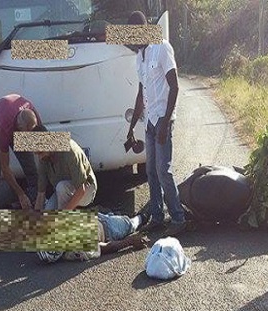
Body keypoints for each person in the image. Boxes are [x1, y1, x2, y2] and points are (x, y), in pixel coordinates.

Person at [125, 10, 186, 237]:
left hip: (162, 119)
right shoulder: (139, 56)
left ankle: (178, 218)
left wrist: (166, 121)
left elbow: (175, 86)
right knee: (150, 171)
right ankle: (158, 217)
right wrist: (131, 126)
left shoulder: (162, 47)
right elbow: (141, 94)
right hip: (149, 121)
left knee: (163, 170)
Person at [0, 94, 42, 211]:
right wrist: (20, 194)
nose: (29, 139)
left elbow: (44, 142)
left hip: (12, 115)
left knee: (30, 167)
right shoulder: (5, 127)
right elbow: (5, 168)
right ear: (20, 128)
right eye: (27, 134)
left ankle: (33, 202)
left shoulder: (32, 111)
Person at [37, 210, 150, 263]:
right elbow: (105, 247)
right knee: (130, 224)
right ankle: (142, 217)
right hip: (108, 228)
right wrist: (130, 242)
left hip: (94, 216)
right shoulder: (78, 250)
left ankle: (116, 213)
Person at [33, 125, 97, 211]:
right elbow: (41, 194)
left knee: (61, 187)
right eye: (37, 154)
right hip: (63, 191)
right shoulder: (43, 158)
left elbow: (82, 189)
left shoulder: (69, 149)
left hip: (86, 189)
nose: (40, 157)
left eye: (40, 152)